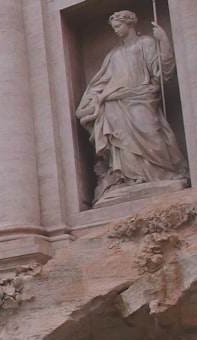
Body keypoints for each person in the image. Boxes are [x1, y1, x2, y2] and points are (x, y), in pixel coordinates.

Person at [75, 10, 187, 206]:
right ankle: (130, 178)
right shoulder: (114, 54)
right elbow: (102, 81)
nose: (116, 30)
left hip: (141, 97)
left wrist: (164, 42)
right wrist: (93, 100)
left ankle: (165, 173)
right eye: (114, 28)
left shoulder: (146, 43)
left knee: (150, 131)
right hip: (114, 102)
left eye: (118, 26)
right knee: (121, 142)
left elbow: (162, 72)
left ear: (130, 24)